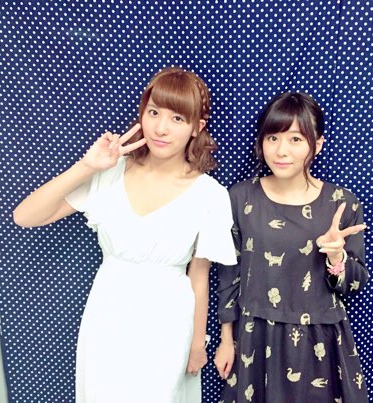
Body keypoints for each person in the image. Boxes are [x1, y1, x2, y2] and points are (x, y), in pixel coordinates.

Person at [13, 67, 237, 402]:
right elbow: (25, 216)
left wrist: (196, 344)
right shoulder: (110, 174)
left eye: (177, 118)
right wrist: (87, 166)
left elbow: (199, 276)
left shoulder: (210, 195)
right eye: (154, 112)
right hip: (107, 317)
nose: (161, 128)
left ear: (197, 127)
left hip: (167, 324)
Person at [214, 92, 369, 402]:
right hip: (256, 337)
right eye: (272, 138)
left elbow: (355, 284)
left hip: (318, 341)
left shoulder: (341, 203)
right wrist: (226, 339)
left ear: (317, 144)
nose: (281, 150)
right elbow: (230, 272)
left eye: (295, 139)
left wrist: (336, 256)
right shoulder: (241, 197)